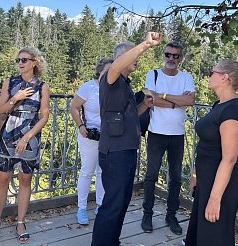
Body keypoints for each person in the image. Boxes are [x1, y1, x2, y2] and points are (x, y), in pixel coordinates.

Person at [91, 32, 162, 246]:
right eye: (133, 55)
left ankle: (112, 241)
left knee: (121, 202)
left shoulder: (125, 83)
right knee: (112, 204)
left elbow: (126, 116)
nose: (137, 58)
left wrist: (144, 106)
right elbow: (114, 67)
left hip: (126, 149)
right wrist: (145, 44)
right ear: (123, 58)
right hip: (115, 152)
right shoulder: (110, 78)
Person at [0, 46, 50, 243]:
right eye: (18, 60)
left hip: (30, 137)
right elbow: (1, 110)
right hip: (8, 133)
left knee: (25, 179)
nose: (20, 63)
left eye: (24, 60)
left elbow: (44, 116)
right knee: (3, 178)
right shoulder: (10, 82)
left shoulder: (42, 87)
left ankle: (20, 221)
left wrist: (27, 137)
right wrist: (16, 98)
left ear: (34, 62)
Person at [184, 60, 238, 246]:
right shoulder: (219, 104)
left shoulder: (232, 110)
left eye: (212, 72)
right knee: (200, 236)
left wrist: (214, 198)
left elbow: (230, 158)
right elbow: (206, 146)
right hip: (207, 181)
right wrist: (196, 175)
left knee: (214, 238)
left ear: (225, 77)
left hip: (221, 188)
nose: (208, 76)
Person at [141, 41, 195, 235]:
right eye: (168, 55)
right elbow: (150, 100)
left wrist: (163, 95)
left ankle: (171, 215)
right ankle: (147, 214)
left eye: (176, 56)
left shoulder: (186, 77)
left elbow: (190, 101)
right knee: (151, 176)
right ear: (163, 55)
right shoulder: (152, 74)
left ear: (181, 58)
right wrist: (176, 101)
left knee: (176, 178)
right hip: (156, 133)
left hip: (177, 135)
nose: (171, 59)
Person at [70, 57, 113, 225]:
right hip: (89, 135)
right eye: (107, 70)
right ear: (100, 71)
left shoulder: (112, 88)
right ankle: (81, 208)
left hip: (107, 136)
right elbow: (73, 107)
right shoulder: (89, 87)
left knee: (102, 171)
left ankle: (100, 205)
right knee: (87, 171)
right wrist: (81, 125)